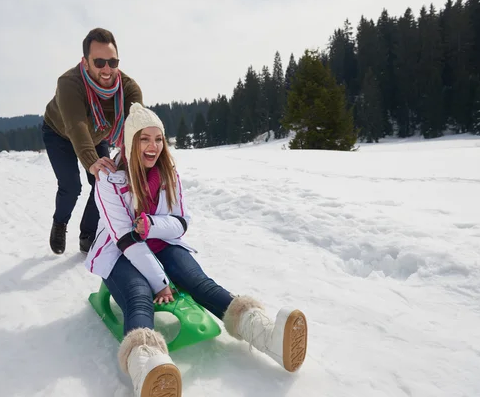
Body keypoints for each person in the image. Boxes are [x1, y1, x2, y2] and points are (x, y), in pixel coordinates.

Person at [84, 103, 308, 397]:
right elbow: (125, 240)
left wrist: (152, 226)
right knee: (140, 295)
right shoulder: (110, 181)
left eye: (158, 139)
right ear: (130, 142)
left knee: (200, 283)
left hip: (161, 243)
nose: (153, 146)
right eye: (144, 138)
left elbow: (180, 223)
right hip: (121, 253)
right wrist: (160, 282)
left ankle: (266, 335)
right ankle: (148, 368)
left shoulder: (168, 174)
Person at [42, 27, 143, 255]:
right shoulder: (69, 83)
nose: (107, 69)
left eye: (112, 61)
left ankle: (87, 234)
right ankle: (60, 222)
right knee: (71, 187)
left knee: (103, 181)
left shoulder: (128, 88)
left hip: (97, 133)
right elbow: (76, 125)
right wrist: (91, 161)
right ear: (85, 62)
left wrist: (137, 156)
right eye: (99, 62)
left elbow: (137, 125)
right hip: (59, 132)